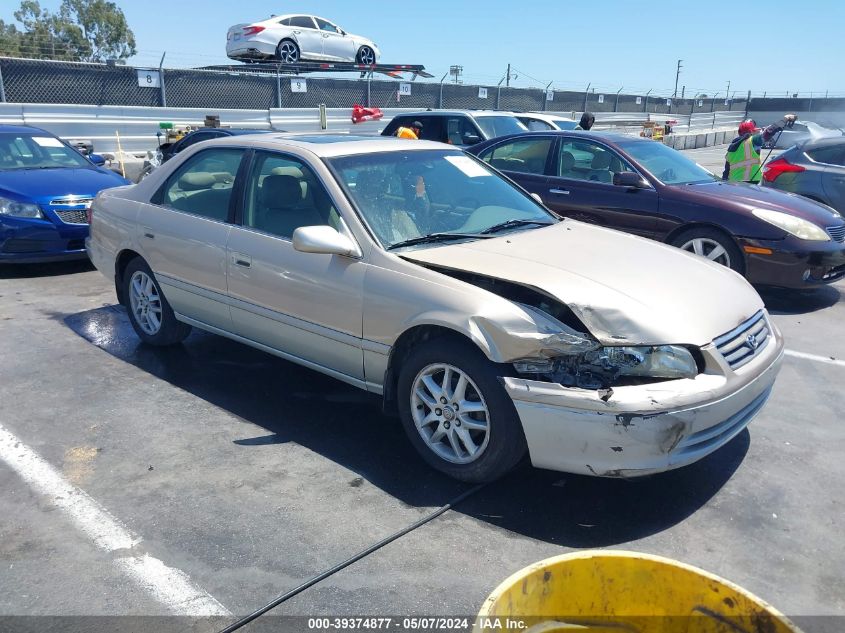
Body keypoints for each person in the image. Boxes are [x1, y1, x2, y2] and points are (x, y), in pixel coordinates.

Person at [722, 114, 797, 182]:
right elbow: (769, 131)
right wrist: (785, 119)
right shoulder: (753, 141)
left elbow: (726, 171)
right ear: (751, 132)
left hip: (733, 183)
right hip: (750, 182)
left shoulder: (731, 148)